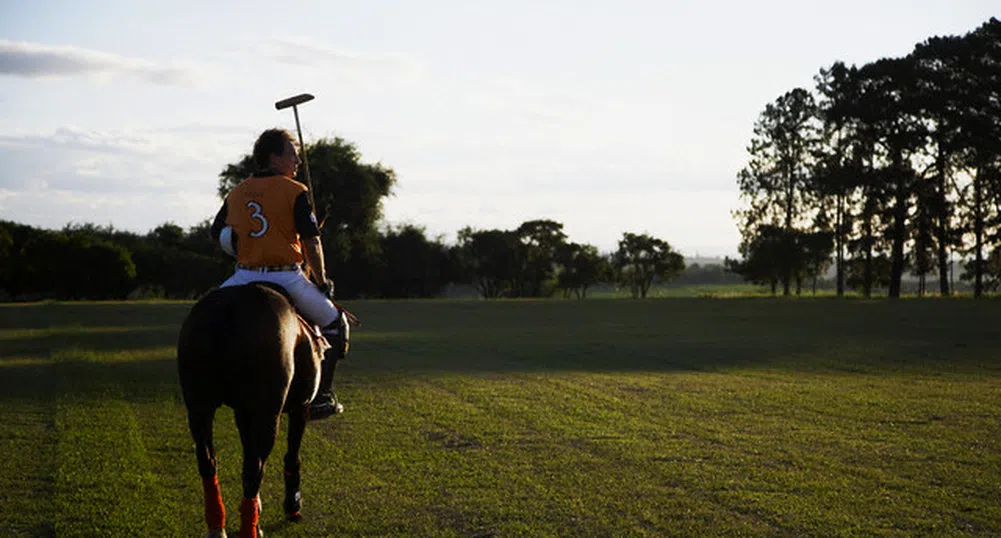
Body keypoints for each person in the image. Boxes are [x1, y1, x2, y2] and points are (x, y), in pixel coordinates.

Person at [210, 128, 347, 420]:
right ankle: (321, 396)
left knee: (207, 317)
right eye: (292, 155)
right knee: (337, 323)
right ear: (275, 157)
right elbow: (311, 241)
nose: (297, 161)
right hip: (286, 277)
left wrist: (244, 248)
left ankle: (207, 383)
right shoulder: (295, 191)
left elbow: (218, 233)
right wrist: (322, 281)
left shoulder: (237, 191)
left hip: (244, 276)